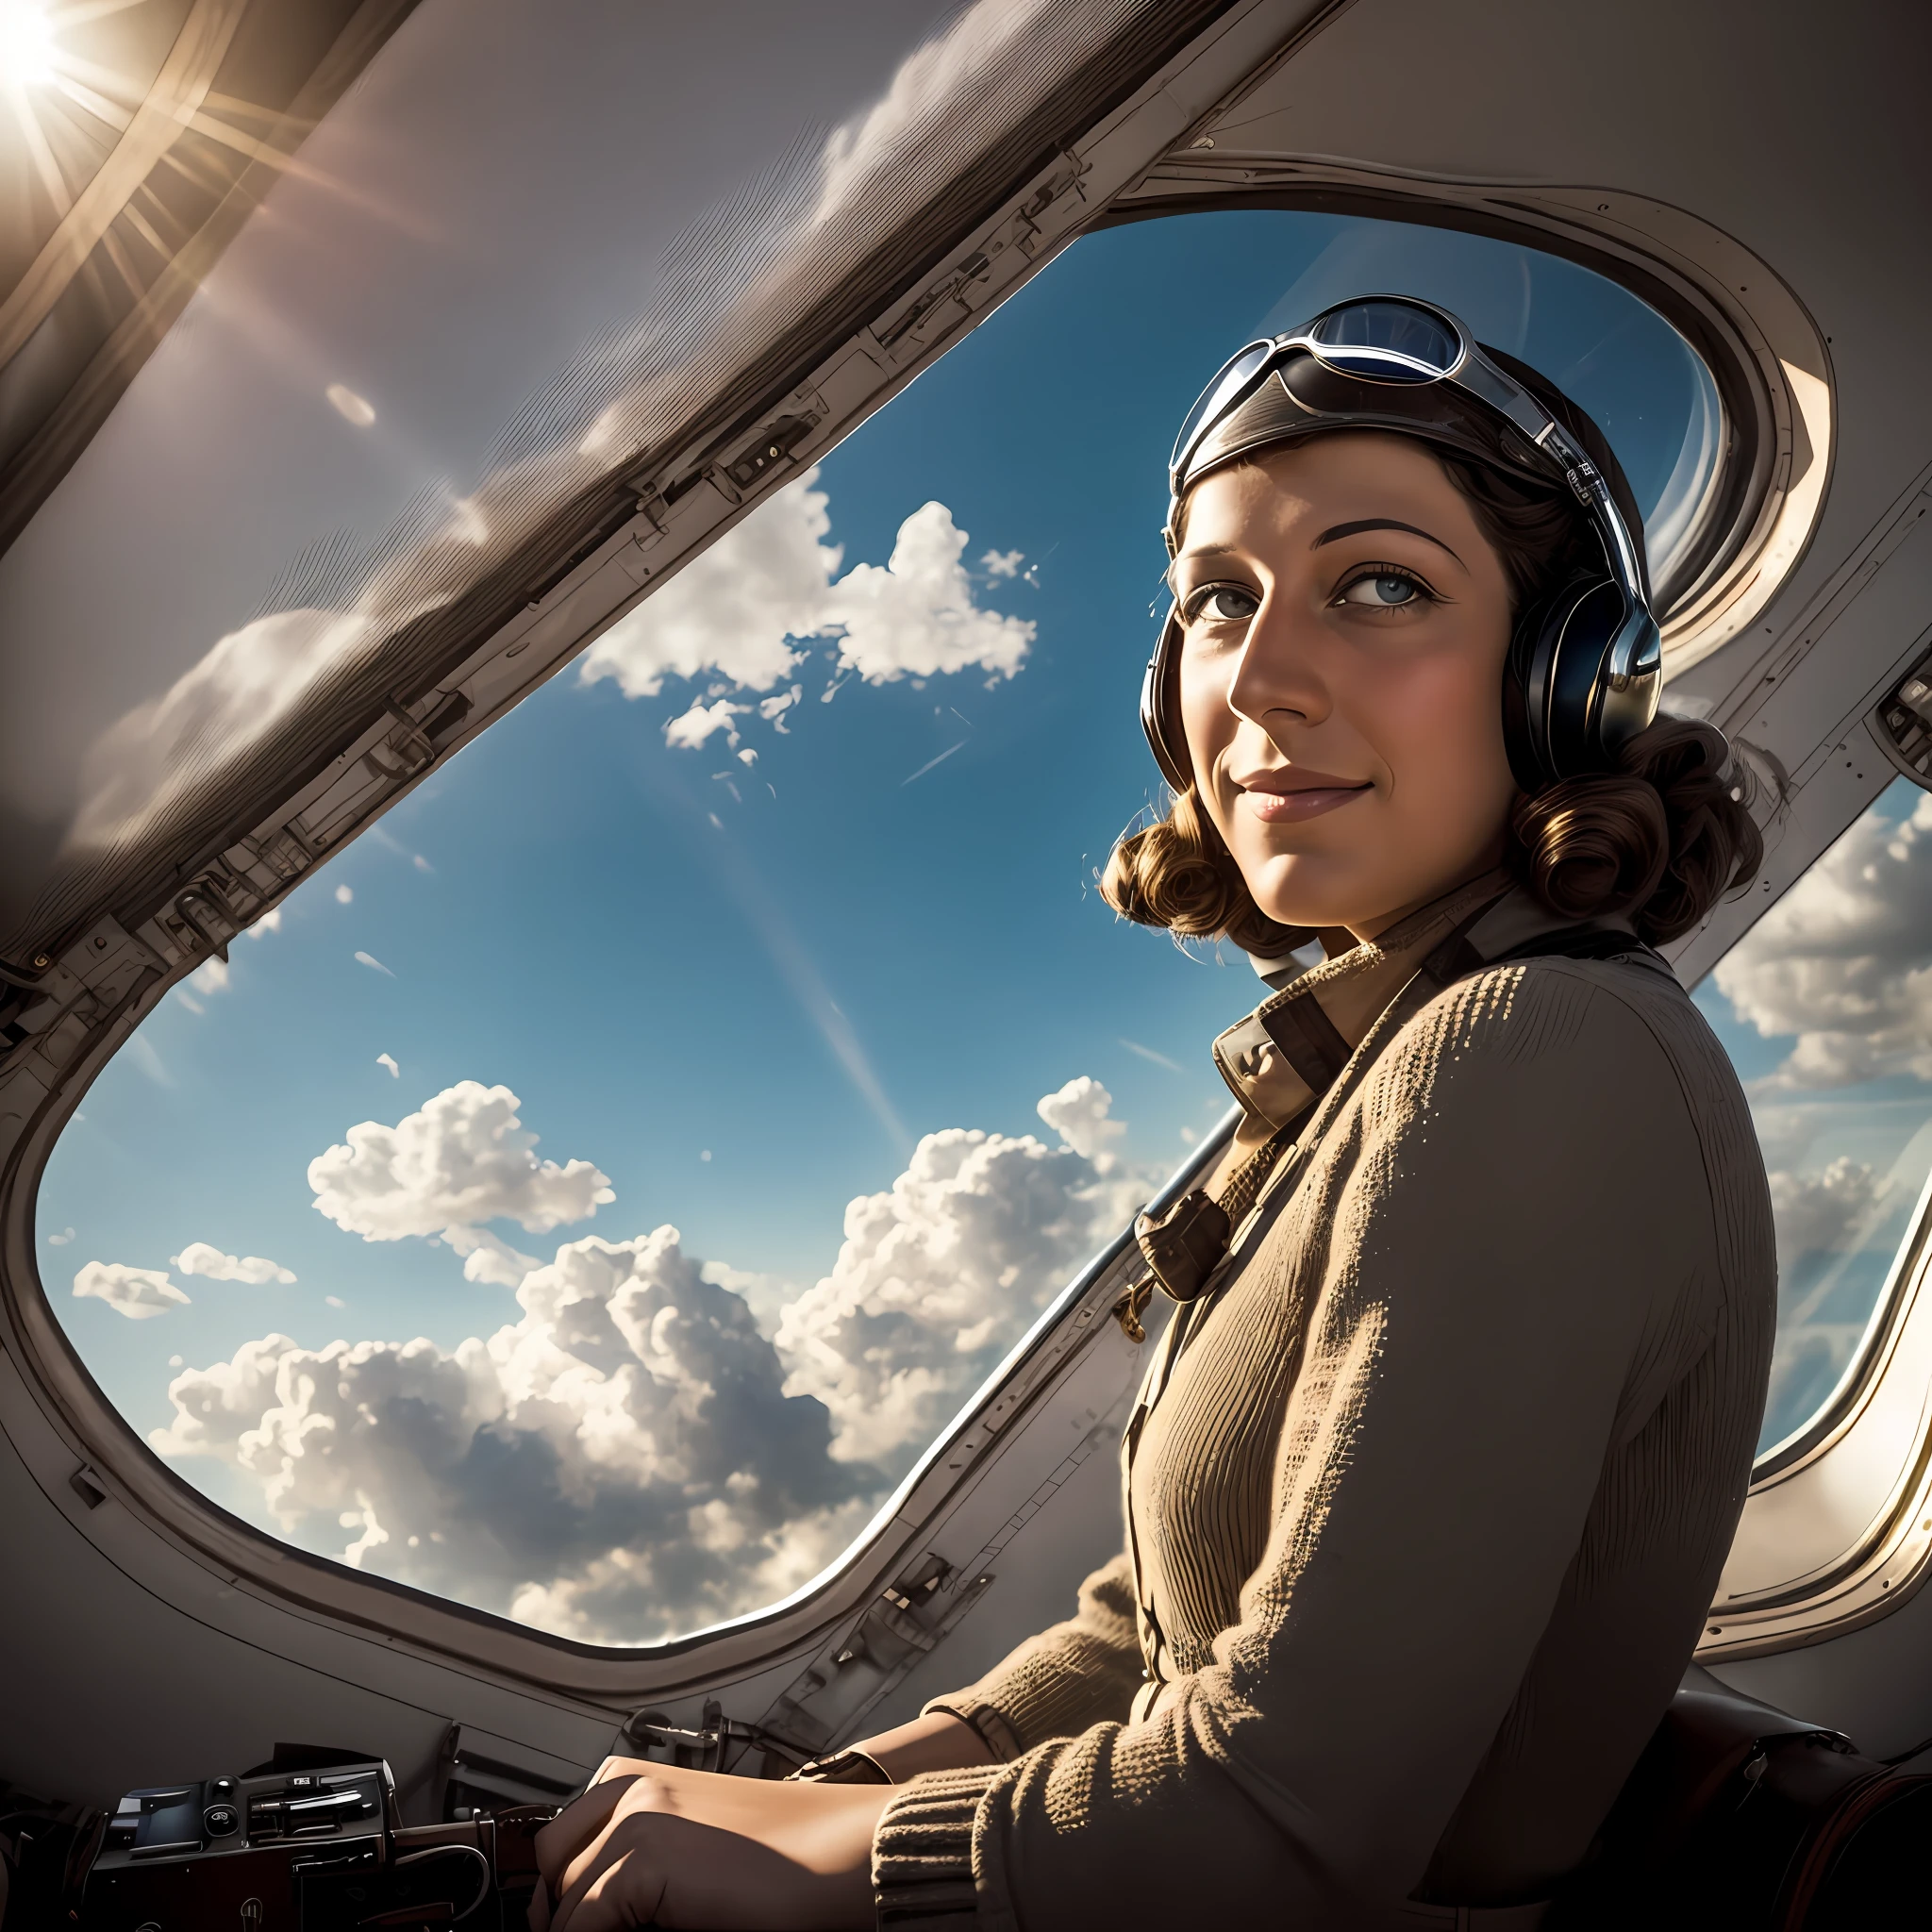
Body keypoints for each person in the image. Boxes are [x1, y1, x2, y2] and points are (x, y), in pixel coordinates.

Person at [529, 297, 1774, 1931]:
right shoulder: (1400, 1047)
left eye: (1380, 587)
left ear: (1566, 686)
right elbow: (1163, 1628)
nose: (1260, 677)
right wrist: (841, 1787)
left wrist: (803, 1866)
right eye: (1215, 602)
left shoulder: (1537, 1057)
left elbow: (1279, 1821)